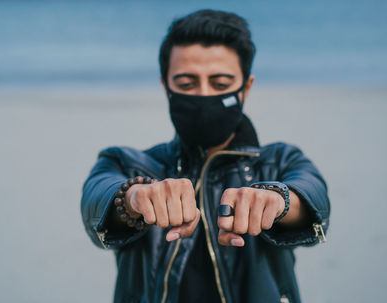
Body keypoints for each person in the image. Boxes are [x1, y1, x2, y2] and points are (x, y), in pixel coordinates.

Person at [81, 9, 330, 303]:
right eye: (186, 84)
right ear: (166, 87)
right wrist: (133, 198)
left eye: (221, 84)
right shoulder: (125, 162)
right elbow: (95, 202)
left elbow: (316, 201)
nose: (203, 95)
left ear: (246, 88)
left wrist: (278, 200)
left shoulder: (280, 161)